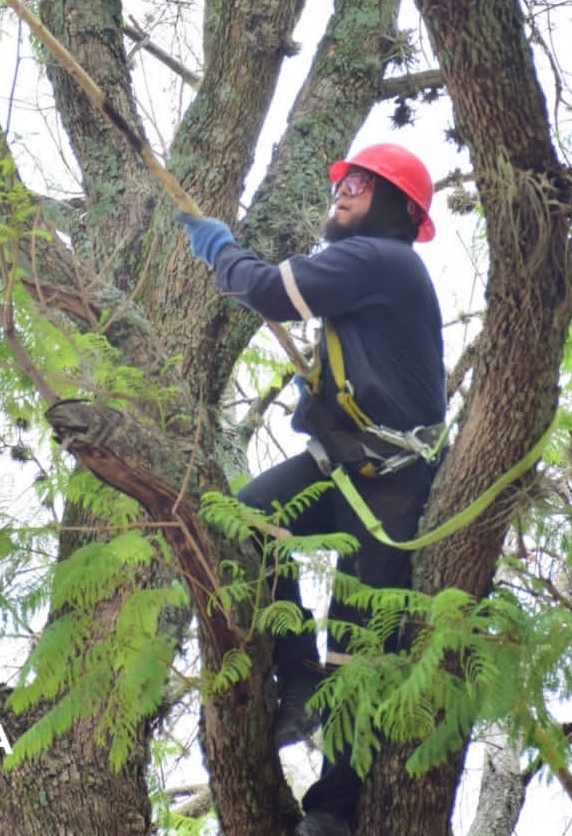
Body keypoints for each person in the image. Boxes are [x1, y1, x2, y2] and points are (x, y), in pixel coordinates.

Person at [177, 143, 446, 836]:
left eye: (360, 183)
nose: (343, 191)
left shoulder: (380, 258)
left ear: (396, 208)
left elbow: (266, 291)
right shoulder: (372, 280)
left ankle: (335, 815)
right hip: (343, 466)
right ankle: (296, 675)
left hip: (390, 488)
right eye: (343, 181)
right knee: (243, 523)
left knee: (359, 657)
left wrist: (220, 250)